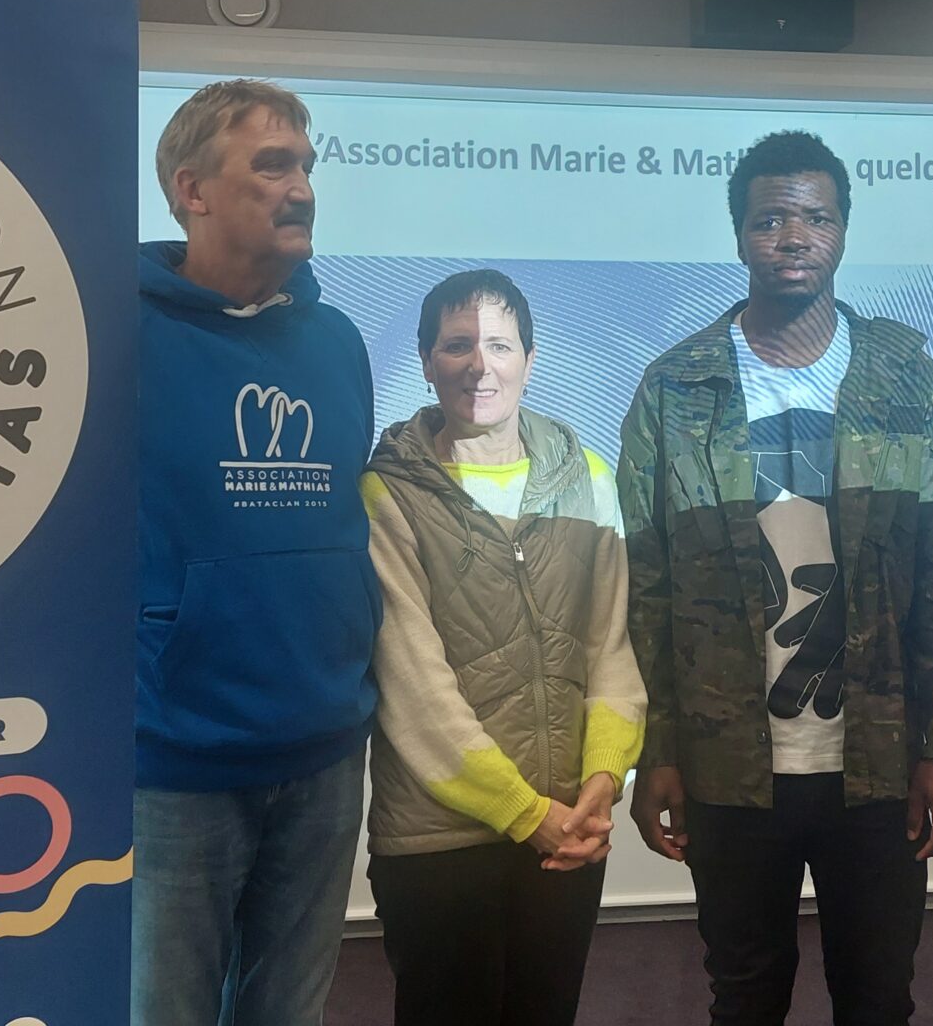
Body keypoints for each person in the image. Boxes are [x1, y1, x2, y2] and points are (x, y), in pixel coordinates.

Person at [618, 130, 933, 1026]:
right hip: (728, 762)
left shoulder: (905, 377)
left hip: (880, 760)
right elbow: (647, 586)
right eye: (771, 220)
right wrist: (656, 748)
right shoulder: (676, 389)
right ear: (740, 235)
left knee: (879, 994)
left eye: (816, 218)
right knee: (744, 994)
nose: (794, 237)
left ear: (844, 231)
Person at [133, 80, 378, 1026]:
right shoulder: (114, 332)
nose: (302, 188)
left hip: (323, 746)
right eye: (272, 166)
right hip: (175, 758)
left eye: (306, 167)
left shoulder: (338, 342)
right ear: (191, 190)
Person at [359, 268, 647, 1026]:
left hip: (567, 832)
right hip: (437, 844)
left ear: (530, 358)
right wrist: (524, 812)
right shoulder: (386, 494)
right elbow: (412, 688)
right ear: (426, 362)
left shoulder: (588, 479)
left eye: (499, 345)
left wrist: (602, 780)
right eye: (457, 345)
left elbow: (613, 649)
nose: (479, 366)